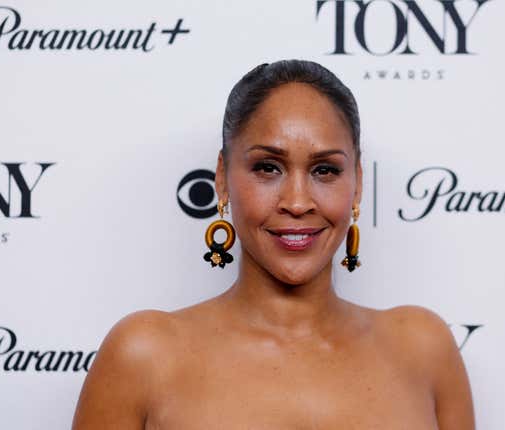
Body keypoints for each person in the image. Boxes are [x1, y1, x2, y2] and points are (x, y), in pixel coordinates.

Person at [71, 59, 475, 429]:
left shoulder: (423, 349)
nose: (297, 202)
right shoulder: (142, 355)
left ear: (358, 186)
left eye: (325, 170)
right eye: (267, 167)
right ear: (223, 179)